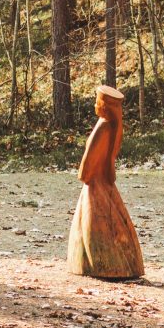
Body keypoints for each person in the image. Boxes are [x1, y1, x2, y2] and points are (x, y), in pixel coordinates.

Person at [67, 86, 145, 279]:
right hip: (104, 184)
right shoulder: (113, 127)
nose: (94, 105)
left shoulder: (103, 127)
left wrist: (83, 175)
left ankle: (101, 263)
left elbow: (88, 163)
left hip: (94, 185)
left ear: (104, 106)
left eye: (97, 101)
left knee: (93, 225)